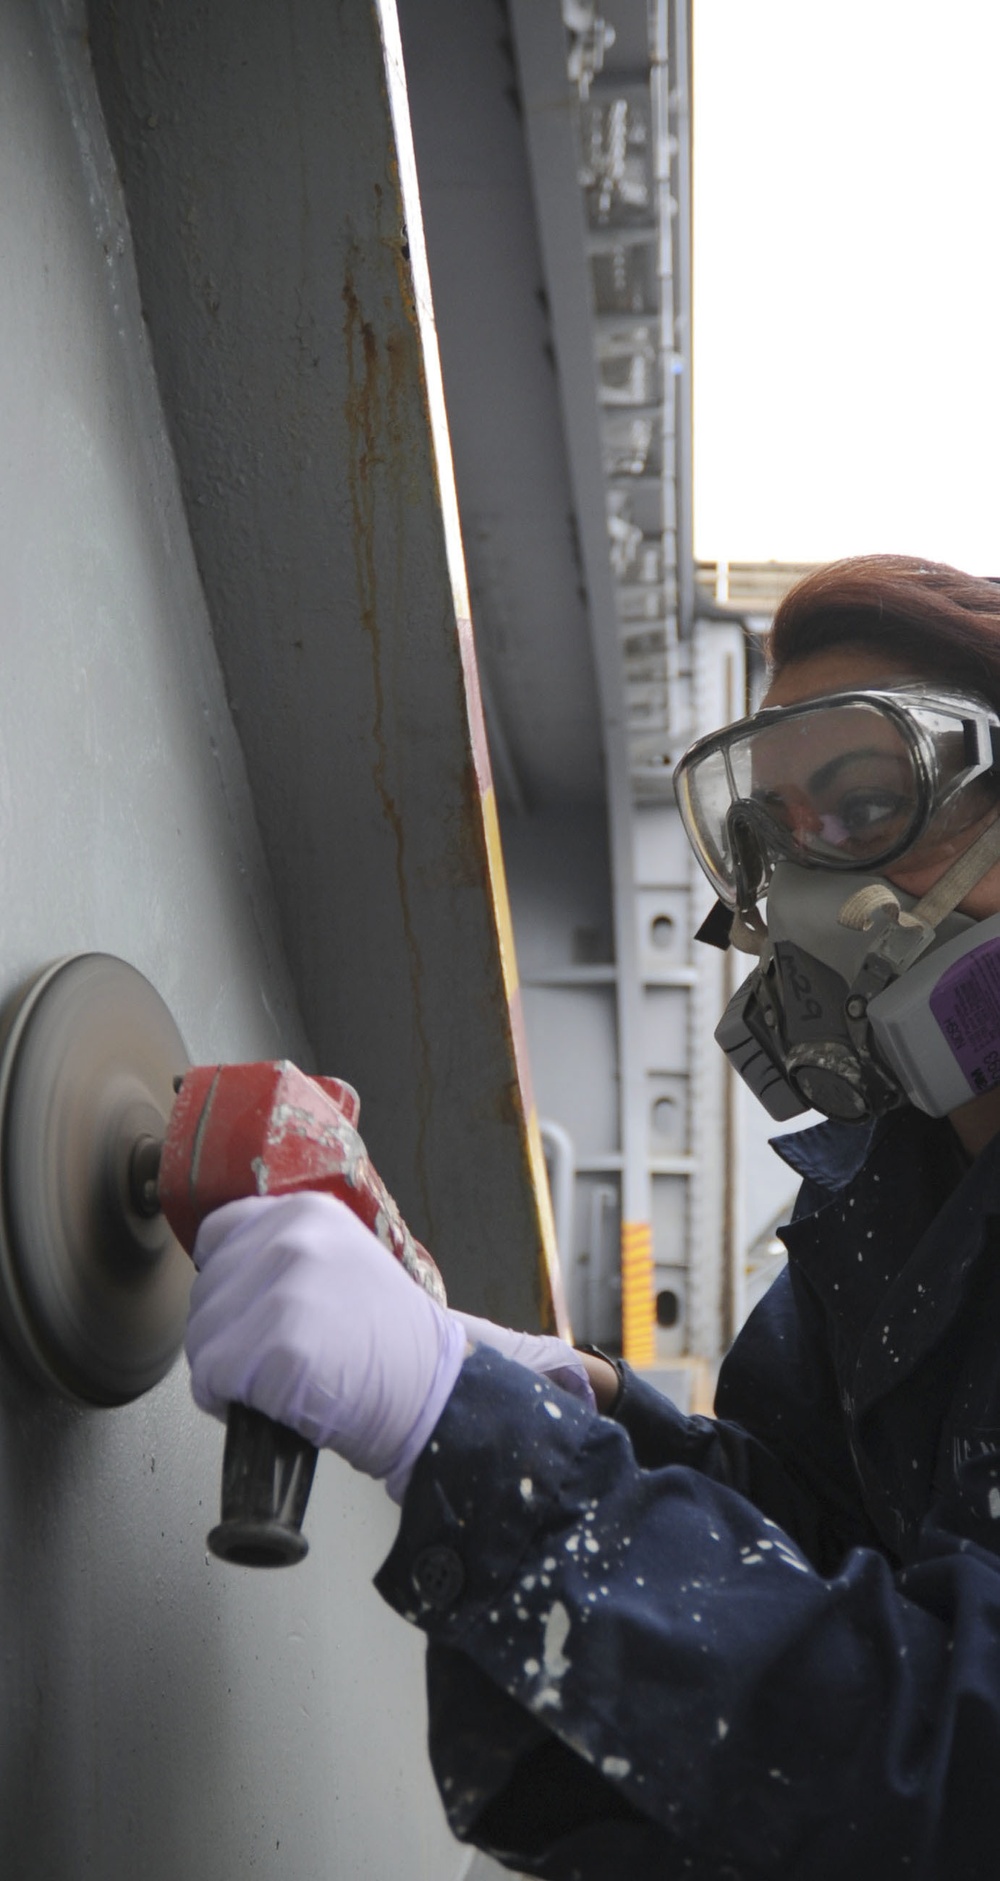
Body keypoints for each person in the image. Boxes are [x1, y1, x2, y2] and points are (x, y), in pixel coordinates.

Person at [186, 555, 1000, 1879]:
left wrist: (454, 1422)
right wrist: (577, 1404)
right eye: (773, 846)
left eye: (866, 807)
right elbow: (826, 1538)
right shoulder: (889, 1212)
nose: (807, 905)